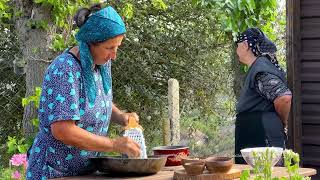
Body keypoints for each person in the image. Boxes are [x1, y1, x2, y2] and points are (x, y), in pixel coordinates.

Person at [26, 4, 141, 179]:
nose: (114, 55)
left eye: (117, 47)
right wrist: (114, 145)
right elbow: (63, 130)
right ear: (90, 42)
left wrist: (121, 117)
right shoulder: (65, 69)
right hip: (54, 172)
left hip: (85, 171)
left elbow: (95, 101)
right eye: (110, 48)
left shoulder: (100, 65)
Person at [234, 27, 292, 164]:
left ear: (246, 45)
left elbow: (284, 97)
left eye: (237, 45)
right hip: (255, 137)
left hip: (262, 138)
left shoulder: (261, 69)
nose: (236, 50)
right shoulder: (258, 68)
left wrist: (283, 121)